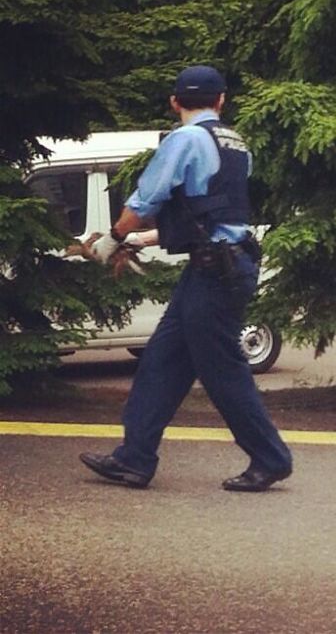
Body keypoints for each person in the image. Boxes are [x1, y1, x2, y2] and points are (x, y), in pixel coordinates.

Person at [79, 65, 293, 492]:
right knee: (162, 361)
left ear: (175, 102)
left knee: (224, 370)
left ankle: (271, 459)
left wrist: (115, 238)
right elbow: (213, 215)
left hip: (216, 272)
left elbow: (148, 198)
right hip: (223, 264)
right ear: (221, 101)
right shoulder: (236, 145)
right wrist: (142, 240)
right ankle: (134, 459)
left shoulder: (183, 140)